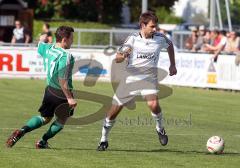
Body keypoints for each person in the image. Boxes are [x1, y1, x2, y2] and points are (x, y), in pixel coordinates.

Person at [97, 11, 177, 151]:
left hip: (149, 78)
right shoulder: (132, 39)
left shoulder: (160, 38)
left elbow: (170, 46)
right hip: (130, 78)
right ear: (143, 25)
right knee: (113, 112)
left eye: (155, 26)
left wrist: (172, 64)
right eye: (152, 26)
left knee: (153, 104)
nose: (155, 29)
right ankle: (103, 140)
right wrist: (123, 56)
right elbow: (118, 57)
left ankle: (160, 129)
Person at [6, 26, 77, 149]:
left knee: (45, 118)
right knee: (61, 120)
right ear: (64, 39)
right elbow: (62, 80)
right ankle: (42, 141)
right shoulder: (66, 56)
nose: (73, 41)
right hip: (62, 93)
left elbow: (40, 44)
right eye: (71, 38)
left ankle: (22, 131)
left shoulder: (48, 48)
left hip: (49, 91)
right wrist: (69, 98)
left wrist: (42, 38)